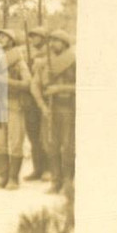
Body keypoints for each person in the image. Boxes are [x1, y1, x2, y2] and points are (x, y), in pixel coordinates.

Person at [31, 29, 76, 194]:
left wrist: (59, 88)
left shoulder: (74, 61)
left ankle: (68, 182)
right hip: (50, 108)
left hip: (68, 108)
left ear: (65, 43)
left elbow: (83, 86)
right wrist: (42, 104)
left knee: (68, 147)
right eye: (51, 41)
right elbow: (35, 85)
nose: (52, 44)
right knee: (51, 146)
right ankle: (55, 182)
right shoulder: (45, 63)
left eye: (56, 41)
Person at [0, 29, 31, 190]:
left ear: (12, 41)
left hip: (13, 104)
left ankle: (13, 179)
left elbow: (27, 84)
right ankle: (3, 177)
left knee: (15, 141)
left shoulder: (18, 61)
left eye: (5, 37)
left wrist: (6, 81)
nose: (2, 39)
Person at [23, 26, 50, 182]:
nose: (33, 39)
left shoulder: (49, 54)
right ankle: (37, 169)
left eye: (36, 36)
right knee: (33, 135)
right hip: (30, 99)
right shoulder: (28, 53)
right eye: (32, 36)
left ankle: (47, 170)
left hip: (44, 99)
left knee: (45, 136)